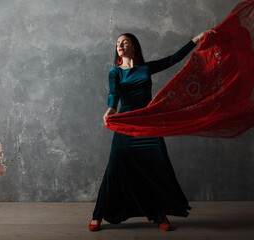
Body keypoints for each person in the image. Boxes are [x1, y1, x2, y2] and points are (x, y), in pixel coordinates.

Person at [89, 29, 215, 232]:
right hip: (126, 124)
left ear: (134, 46)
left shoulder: (145, 68)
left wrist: (196, 40)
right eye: (117, 43)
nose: (119, 45)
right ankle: (98, 214)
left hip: (148, 124)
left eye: (124, 42)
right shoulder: (115, 72)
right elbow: (114, 94)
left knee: (155, 167)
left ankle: (159, 213)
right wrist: (110, 109)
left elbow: (174, 59)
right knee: (115, 168)